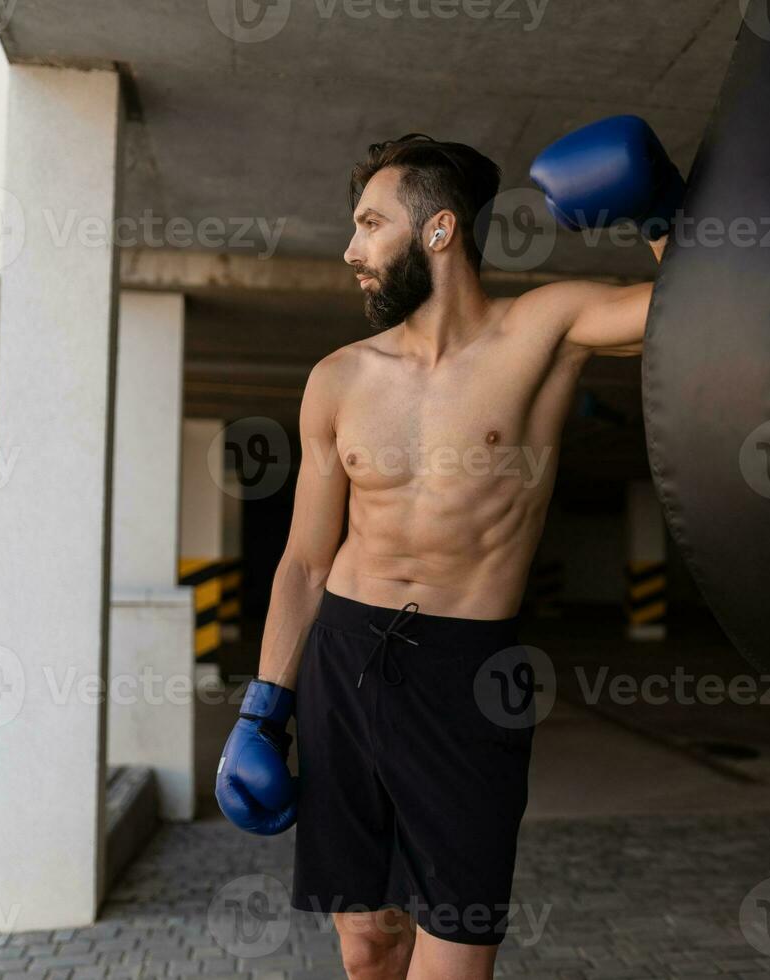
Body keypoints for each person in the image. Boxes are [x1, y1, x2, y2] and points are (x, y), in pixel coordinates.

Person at [215, 116, 683, 980]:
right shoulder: (339, 378)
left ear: (439, 229)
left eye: (368, 223)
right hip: (345, 664)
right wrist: (263, 710)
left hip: (469, 676)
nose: (350, 250)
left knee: (454, 958)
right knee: (366, 946)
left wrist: (662, 216)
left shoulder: (544, 327)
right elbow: (308, 562)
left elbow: (690, 309)